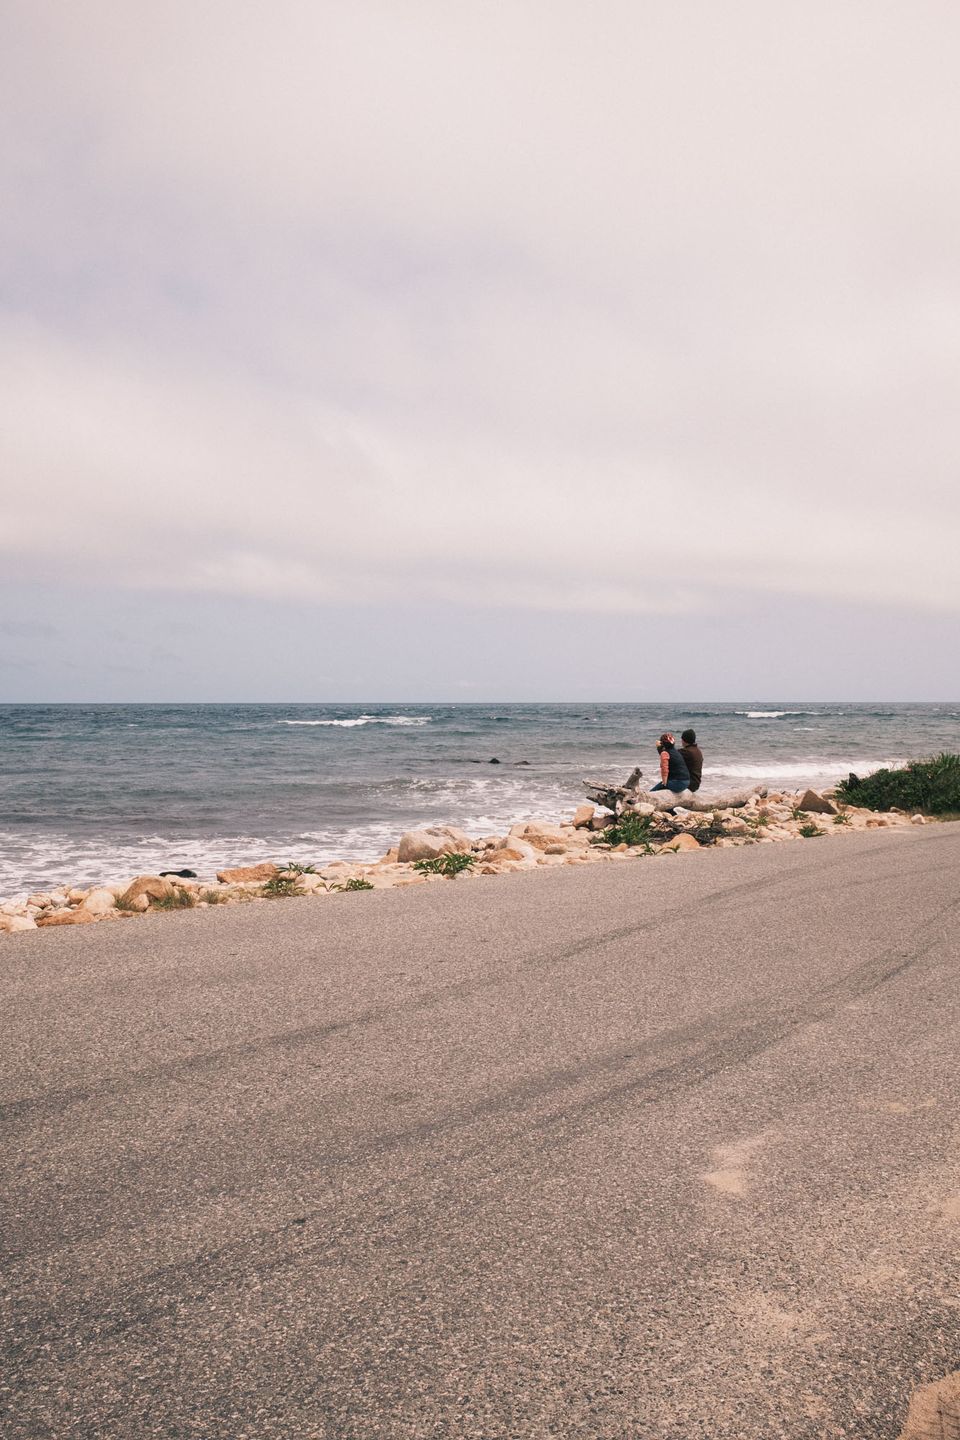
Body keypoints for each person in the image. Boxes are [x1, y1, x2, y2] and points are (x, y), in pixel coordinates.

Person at [679, 728, 703, 792]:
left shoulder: (687, 752)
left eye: (682, 739)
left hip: (689, 783)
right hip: (696, 783)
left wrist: (661, 747)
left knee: (663, 785)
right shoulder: (697, 750)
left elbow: (670, 754)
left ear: (684, 740)